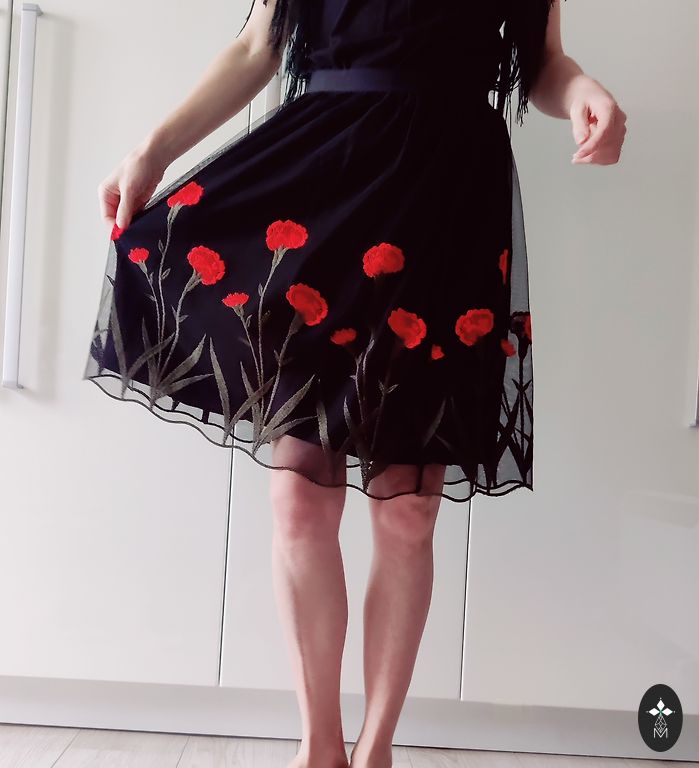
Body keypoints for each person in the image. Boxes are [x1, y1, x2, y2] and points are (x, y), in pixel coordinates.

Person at [89, 1, 626, 766]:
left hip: (445, 203)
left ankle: (375, 749)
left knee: (408, 510)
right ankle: (318, 746)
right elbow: (259, 45)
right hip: (322, 181)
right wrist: (152, 151)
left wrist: (580, 92)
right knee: (298, 495)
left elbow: (542, 63)